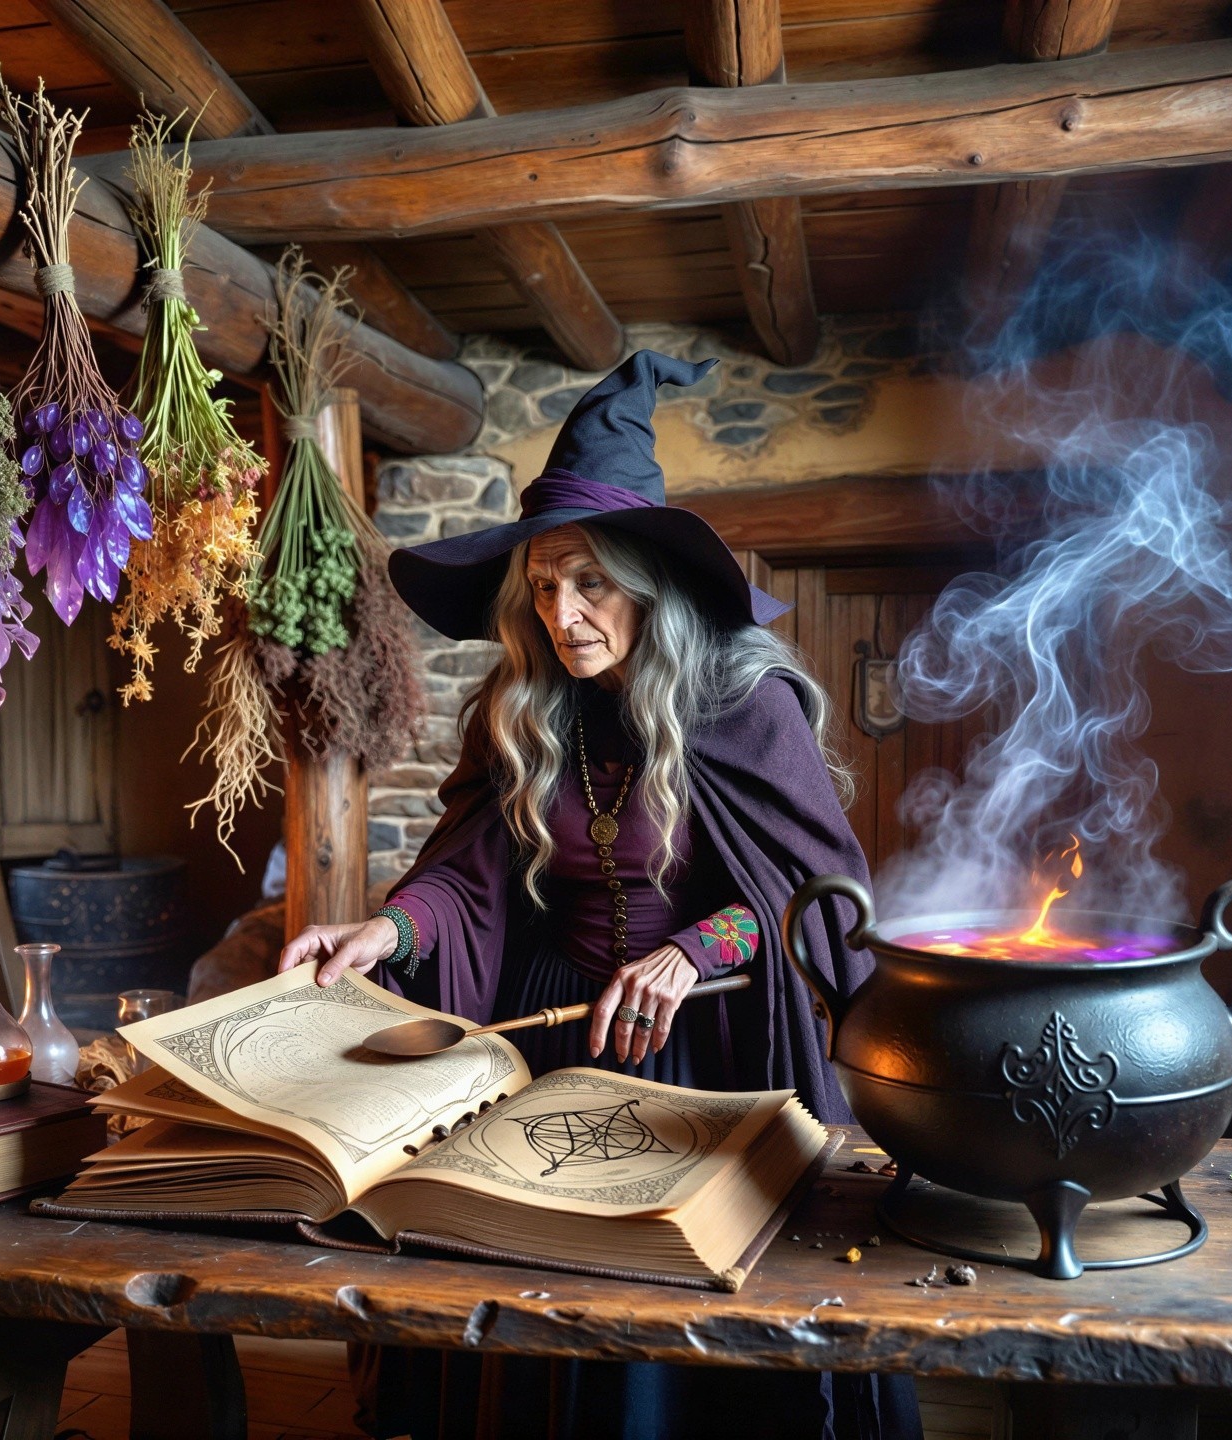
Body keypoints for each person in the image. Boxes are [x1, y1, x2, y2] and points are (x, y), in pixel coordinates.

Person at [277, 350, 919, 1440]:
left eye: (589, 581)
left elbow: (813, 897)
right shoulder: (522, 707)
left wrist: (693, 952)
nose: (563, 612)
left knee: (664, 1313)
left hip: (703, 1052)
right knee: (531, 1311)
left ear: (648, 584)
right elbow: (470, 876)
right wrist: (388, 927)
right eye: (541, 586)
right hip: (545, 1037)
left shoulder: (746, 705)